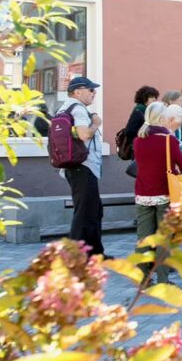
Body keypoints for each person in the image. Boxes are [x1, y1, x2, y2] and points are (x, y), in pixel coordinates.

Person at [132, 101, 182, 284]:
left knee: (143, 238)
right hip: (164, 192)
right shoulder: (169, 140)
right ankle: (163, 279)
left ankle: (143, 279)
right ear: (162, 118)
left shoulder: (138, 140)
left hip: (143, 193)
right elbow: (181, 165)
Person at [60, 76, 108, 258]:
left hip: (75, 165)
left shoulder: (65, 108)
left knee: (93, 209)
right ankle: (74, 257)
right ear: (78, 92)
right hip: (83, 166)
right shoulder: (78, 109)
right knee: (84, 213)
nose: (94, 93)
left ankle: (95, 253)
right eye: (91, 90)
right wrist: (96, 124)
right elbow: (84, 135)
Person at [122, 86, 159, 154]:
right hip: (138, 147)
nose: (154, 99)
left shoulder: (147, 111)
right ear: (144, 98)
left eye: (155, 97)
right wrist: (145, 132)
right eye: (151, 97)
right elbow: (129, 131)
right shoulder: (139, 111)